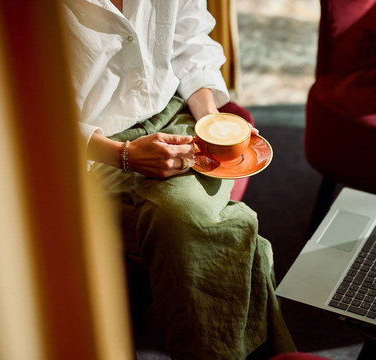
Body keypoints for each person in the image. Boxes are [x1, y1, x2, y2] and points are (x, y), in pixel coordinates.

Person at [60, 0, 296, 359]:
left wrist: (211, 125)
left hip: (174, 116)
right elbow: (15, 106)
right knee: (200, 222)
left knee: (184, 217)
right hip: (84, 154)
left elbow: (190, 40)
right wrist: (122, 155)